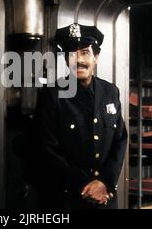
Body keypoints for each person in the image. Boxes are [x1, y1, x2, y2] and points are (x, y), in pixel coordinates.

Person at [34, 23, 128, 209]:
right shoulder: (52, 94)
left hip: (105, 198)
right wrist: (84, 186)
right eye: (71, 54)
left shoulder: (110, 92)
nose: (78, 60)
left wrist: (105, 183)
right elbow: (46, 149)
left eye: (85, 52)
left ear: (96, 57)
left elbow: (120, 141)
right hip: (67, 198)